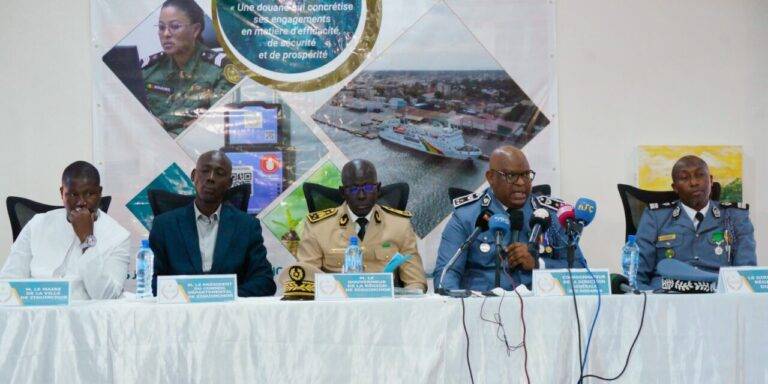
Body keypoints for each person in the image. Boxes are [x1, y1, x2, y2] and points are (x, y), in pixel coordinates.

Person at [434, 146, 586, 292]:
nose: (521, 183)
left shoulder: (550, 215)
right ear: (491, 177)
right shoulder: (466, 216)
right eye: (511, 176)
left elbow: (580, 270)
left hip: (539, 310)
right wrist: (462, 308)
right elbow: (446, 273)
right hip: (482, 310)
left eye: (526, 175)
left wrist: (538, 263)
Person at [150, 150, 276, 297]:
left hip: (229, 313)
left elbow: (265, 281)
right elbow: (156, 283)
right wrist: (193, 296)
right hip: (181, 312)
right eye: (205, 171)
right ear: (193, 175)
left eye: (219, 173)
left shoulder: (247, 226)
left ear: (229, 183)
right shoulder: (165, 225)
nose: (210, 178)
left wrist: (222, 295)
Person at [1, 161, 130, 300]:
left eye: (89, 194)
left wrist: (87, 240)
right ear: (62, 193)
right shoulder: (36, 225)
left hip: (84, 317)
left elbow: (107, 297)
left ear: (99, 193)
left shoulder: (119, 236)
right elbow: (7, 283)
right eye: (73, 195)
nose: (81, 202)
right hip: (35, 315)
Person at [296, 159, 428, 292]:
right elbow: (306, 278)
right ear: (343, 192)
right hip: (337, 305)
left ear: (378, 189)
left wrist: (409, 300)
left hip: (384, 307)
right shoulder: (319, 227)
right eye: (353, 189)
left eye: (368, 188)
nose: (361, 196)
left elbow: (415, 281)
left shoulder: (399, 225)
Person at [635, 155, 755, 290]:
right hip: (667, 298)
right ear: (675, 187)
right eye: (685, 178)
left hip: (717, 297)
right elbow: (638, 275)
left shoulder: (735, 216)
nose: (694, 182)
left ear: (710, 180)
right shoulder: (656, 217)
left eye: (700, 175)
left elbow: (746, 274)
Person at [141, 0, 240, 136]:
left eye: (175, 26)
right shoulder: (148, 69)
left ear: (195, 30)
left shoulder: (221, 69)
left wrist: (165, 124)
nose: (166, 34)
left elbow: (221, 124)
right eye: (161, 27)